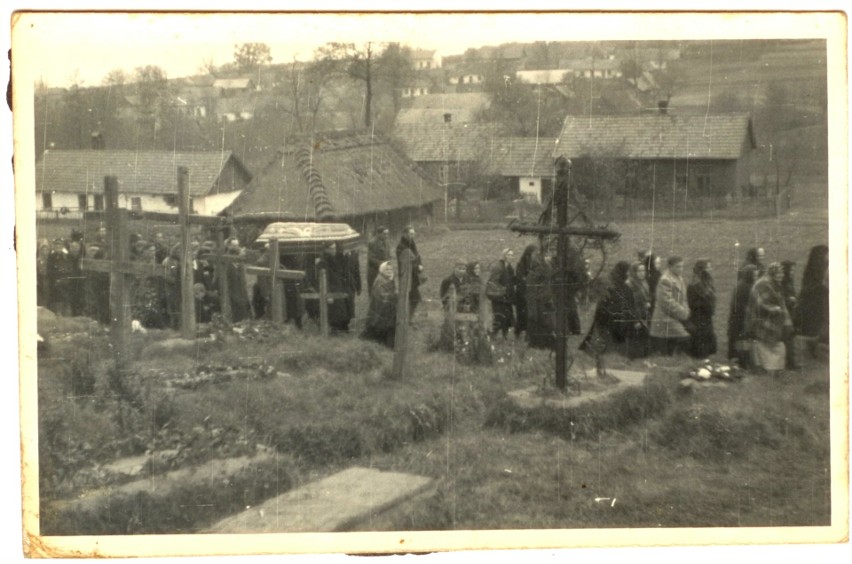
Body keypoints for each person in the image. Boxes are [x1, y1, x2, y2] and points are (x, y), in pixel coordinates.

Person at [580, 261, 634, 360]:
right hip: (608, 318)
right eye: (627, 272)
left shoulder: (625, 286)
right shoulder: (611, 284)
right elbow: (603, 303)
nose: (629, 274)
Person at [746, 262, 793, 376]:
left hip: (769, 319)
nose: (780, 276)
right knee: (767, 344)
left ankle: (773, 368)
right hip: (761, 319)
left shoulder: (774, 283)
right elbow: (761, 303)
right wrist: (773, 309)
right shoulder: (763, 284)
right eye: (778, 274)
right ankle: (767, 368)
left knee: (775, 344)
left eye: (782, 274)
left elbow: (778, 300)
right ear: (772, 273)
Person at [649, 256, 691, 356]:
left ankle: (672, 358)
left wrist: (685, 310)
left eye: (682, 267)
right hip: (664, 318)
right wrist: (683, 313)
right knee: (684, 337)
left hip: (674, 316)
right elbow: (667, 302)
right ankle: (674, 359)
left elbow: (683, 298)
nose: (681, 269)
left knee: (679, 340)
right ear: (670, 267)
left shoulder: (678, 278)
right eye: (678, 267)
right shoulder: (665, 280)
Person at [795, 244, 829, 356]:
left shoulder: (815, 266)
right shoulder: (817, 267)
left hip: (816, 298)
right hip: (815, 300)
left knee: (818, 323)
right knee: (817, 323)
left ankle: (816, 343)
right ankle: (815, 343)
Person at [727, 264, 758, 368]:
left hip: (739, 316)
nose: (756, 275)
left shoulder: (744, 284)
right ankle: (742, 361)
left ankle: (739, 359)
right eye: (754, 274)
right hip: (741, 317)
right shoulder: (745, 287)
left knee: (740, 339)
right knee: (742, 339)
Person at [525, 247, 556, 350]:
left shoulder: (546, 268)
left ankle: (541, 343)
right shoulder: (541, 269)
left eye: (549, 255)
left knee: (544, 321)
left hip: (544, 298)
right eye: (546, 255)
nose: (549, 257)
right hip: (541, 299)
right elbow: (534, 287)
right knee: (543, 322)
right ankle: (542, 344)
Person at [686, 259, 718, 359]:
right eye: (708, 267)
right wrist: (705, 304)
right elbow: (691, 303)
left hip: (707, 317)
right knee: (701, 344)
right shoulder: (694, 285)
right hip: (698, 318)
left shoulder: (708, 282)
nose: (711, 269)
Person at [362, 261, 397, 348]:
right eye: (387, 269)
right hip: (379, 313)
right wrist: (395, 295)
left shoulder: (388, 280)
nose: (389, 271)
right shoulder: (380, 281)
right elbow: (383, 298)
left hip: (384, 312)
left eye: (391, 269)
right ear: (381, 271)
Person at [396, 226, 424, 321]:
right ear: (405, 234)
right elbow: (405, 262)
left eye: (413, 234)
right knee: (412, 298)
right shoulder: (401, 247)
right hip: (406, 277)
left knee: (412, 298)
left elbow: (417, 256)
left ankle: (407, 319)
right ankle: (405, 319)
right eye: (411, 234)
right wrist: (417, 266)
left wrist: (419, 264)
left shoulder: (412, 243)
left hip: (413, 276)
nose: (413, 236)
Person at [487, 248, 516, 338]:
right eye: (509, 255)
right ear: (504, 256)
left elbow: (510, 281)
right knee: (499, 317)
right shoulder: (498, 267)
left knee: (507, 317)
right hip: (499, 297)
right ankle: (492, 335)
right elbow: (493, 282)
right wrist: (501, 291)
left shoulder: (509, 267)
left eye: (512, 255)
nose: (511, 257)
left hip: (507, 297)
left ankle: (504, 336)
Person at [625, 261, 651, 359]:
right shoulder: (630, 285)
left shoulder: (644, 283)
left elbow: (647, 296)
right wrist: (636, 320)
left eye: (643, 270)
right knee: (635, 336)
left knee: (643, 335)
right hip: (634, 315)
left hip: (643, 313)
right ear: (634, 272)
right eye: (639, 271)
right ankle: (632, 358)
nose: (642, 273)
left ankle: (642, 357)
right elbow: (632, 304)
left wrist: (648, 302)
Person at [513, 244, 537, 339]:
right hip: (522, 293)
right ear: (528, 254)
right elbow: (520, 279)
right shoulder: (521, 264)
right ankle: (518, 332)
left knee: (529, 314)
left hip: (530, 293)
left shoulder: (534, 264)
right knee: (522, 314)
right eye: (534, 254)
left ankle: (528, 334)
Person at [780, 260, 799, 368]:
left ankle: (790, 361)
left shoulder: (789, 281)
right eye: (791, 270)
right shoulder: (783, 282)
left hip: (791, 311)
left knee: (790, 337)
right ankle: (790, 362)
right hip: (785, 313)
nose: (793, 272)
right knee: (788, 337)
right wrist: (789, 299)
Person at [366, 226, 391, 296]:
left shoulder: (387, 242)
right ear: (378, 234)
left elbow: (388, 255)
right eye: (384, 234)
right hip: (374, 271)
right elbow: (371, 259)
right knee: (374, 291)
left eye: (387, 234)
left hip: (385, 271)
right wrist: (383, 264)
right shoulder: (372, 243)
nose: (386, 236)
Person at [644, 253, 663, 317]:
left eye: (659, 263)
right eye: (657, 263)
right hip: (651, 301)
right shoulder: (647, 275)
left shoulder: (658, 274)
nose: (659, 265)